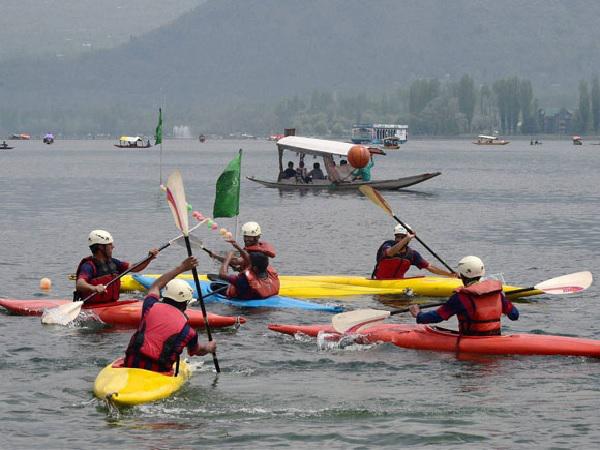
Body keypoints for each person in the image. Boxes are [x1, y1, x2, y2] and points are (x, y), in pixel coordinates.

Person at [124, 256, 216, 372]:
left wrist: (181, 267)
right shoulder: (189, 332)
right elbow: (197, 351)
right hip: (158, 371)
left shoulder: (150, 305)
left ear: (165, 296)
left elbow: (156, 286)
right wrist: (209, 347)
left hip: (131, 363)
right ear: (185, 303)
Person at [409, 256, 519, 336]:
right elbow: (514, 315)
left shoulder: (460, 298)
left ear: (461, 275)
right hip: (495, 338)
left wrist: (418, 315)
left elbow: (438, 316)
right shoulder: (497, 293)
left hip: (472, 341)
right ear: (482, 273)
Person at [74, 230, 158, 304]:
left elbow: (134, 267)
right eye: (110, 245)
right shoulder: (89, 266)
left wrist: (148, 258)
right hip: (93, 306)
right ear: (101, 247)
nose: (113, 247)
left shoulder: (113, 262)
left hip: (112, 304)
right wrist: (94, 288)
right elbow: (80, 284)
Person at [371, 224, 456, 279]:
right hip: (379, 281)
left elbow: (430, 267)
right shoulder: (387, 245)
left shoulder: (411, 254)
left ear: (408, 239)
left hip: (398, 283)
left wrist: (450, 275)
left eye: (402, 237)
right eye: (397, 237)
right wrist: (406, 239)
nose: (399, 239)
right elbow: (390, 253)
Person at [207, 221, 276, 271]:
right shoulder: (261, 246)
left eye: (250, 237)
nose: (247, 239)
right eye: (245, 236)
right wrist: (239, 268)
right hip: (260, 277)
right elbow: (243, 262)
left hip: (254, 281)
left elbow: (235, 261)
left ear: (257, 237)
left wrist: (215, 256)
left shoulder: (254, 253)